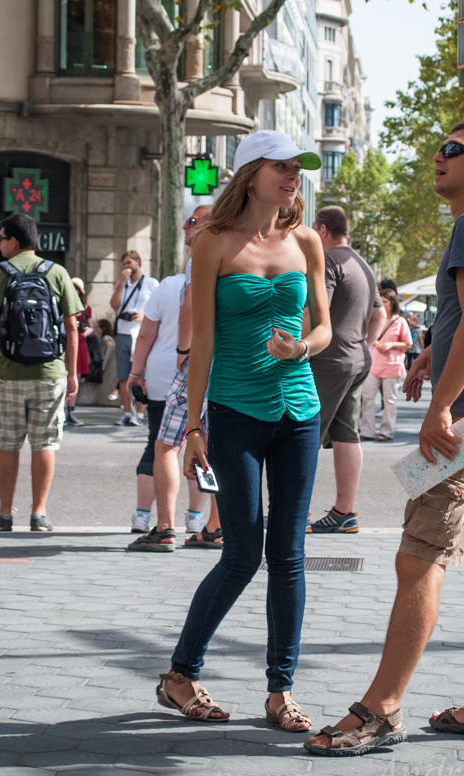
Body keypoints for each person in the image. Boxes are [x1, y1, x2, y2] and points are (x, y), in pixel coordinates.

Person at [306, 122, 464, 756]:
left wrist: (439, 408)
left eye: (454, 150)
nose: (439, 157)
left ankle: (380, 711)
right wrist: (432, 350)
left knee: (418, 556)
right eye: (440, 147)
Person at [155, 130, 331, 730]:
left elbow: (325, 328)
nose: (292, 178)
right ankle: (181, 674)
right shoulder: (212, 244)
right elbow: (201, 343)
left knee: (290, 555)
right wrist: (194, 424)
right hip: (233, 412)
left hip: (299, 413)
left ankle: (280, 691)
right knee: (241, 554)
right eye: (282, 167)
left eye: (297, 170)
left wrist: (303, 345)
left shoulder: (306, 241)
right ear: (250, 172)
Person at [0, 213, 83, 532]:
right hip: (50, 373)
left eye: (0, 238)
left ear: (14, 241)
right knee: (44, 443)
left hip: (8, 372)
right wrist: (72, 374)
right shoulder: (58, 272)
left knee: (7, 444)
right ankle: (39, 513)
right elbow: (73, 327)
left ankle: (5, 514)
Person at [126, 204, 222, 551]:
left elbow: (191, 305)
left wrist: (184, 352)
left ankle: (165, 527)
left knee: (167, 443)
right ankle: (214, 526)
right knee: (216, 447)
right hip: (227, 365)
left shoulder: (205, 252)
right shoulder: (239, 251)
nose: (185, 226)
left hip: (198, 364)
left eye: (193, 221)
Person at [306, 205, 385, 534]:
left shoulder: (329, 262)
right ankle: (344, 512)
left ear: (322, 230)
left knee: (303, 436)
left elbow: (315, 314)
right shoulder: (362, 265)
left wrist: (297, 347)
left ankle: (294, 514)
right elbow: (379, 315)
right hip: (357, 361)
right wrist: (365, 344)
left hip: (327, 361)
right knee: (347, 436)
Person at [110, 250, 159, 425]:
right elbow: (114, 305)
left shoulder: (151, 283)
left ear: (138, 262)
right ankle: (127, 412)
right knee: (123, 376)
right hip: (123, 333)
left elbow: (160, 309)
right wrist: (121, 283)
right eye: (124, 264)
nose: (127, 267)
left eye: (129, 263)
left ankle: (140, 413)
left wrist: (144, 317)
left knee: (141, 375)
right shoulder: (121, 283)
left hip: (141, 333)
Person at [360, 288, 412, 441]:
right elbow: (365, 336)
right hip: (373, 363)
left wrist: (391, 344)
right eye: (380, 302)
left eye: (385, 302)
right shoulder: (375, 318)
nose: (382, 305)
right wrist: (376, 343)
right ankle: (367, 430)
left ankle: (387, 431)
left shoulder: (400, 321)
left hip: (392, 364)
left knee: (389, 400)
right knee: (367, 398)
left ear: (392, 303)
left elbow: (408, 344)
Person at [65, 277, 92, 427]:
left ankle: (71, 411)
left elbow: (90, 326)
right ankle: (63, 410)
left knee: (77, 375)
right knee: (66, 375)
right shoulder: (64, 304)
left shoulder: (85, 308)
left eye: (76, 288)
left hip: (80, 342)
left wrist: (85, 331)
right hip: (67, 341)